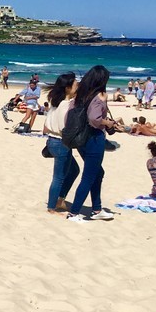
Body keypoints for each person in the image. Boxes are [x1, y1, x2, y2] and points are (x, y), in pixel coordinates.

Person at [65, 65, 118, 222]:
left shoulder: (81, 94)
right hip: (94, 138)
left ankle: (97, 208)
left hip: (81, 138)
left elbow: (71, 114)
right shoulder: (99, 96)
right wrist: (107, 123)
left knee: (98, 173)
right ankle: (74, 212)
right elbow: (94, 119)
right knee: (89, 176)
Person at [41, 72, 79, 215]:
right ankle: (51, 207)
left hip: (53, 141)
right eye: (75, 84)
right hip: (60, 142)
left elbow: (46, 125)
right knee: (58, 176)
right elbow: (65, 128)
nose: (78, 86)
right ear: (67, 88)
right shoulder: (65, 105)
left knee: (74, 170)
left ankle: (60, 199)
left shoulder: (56, 103)